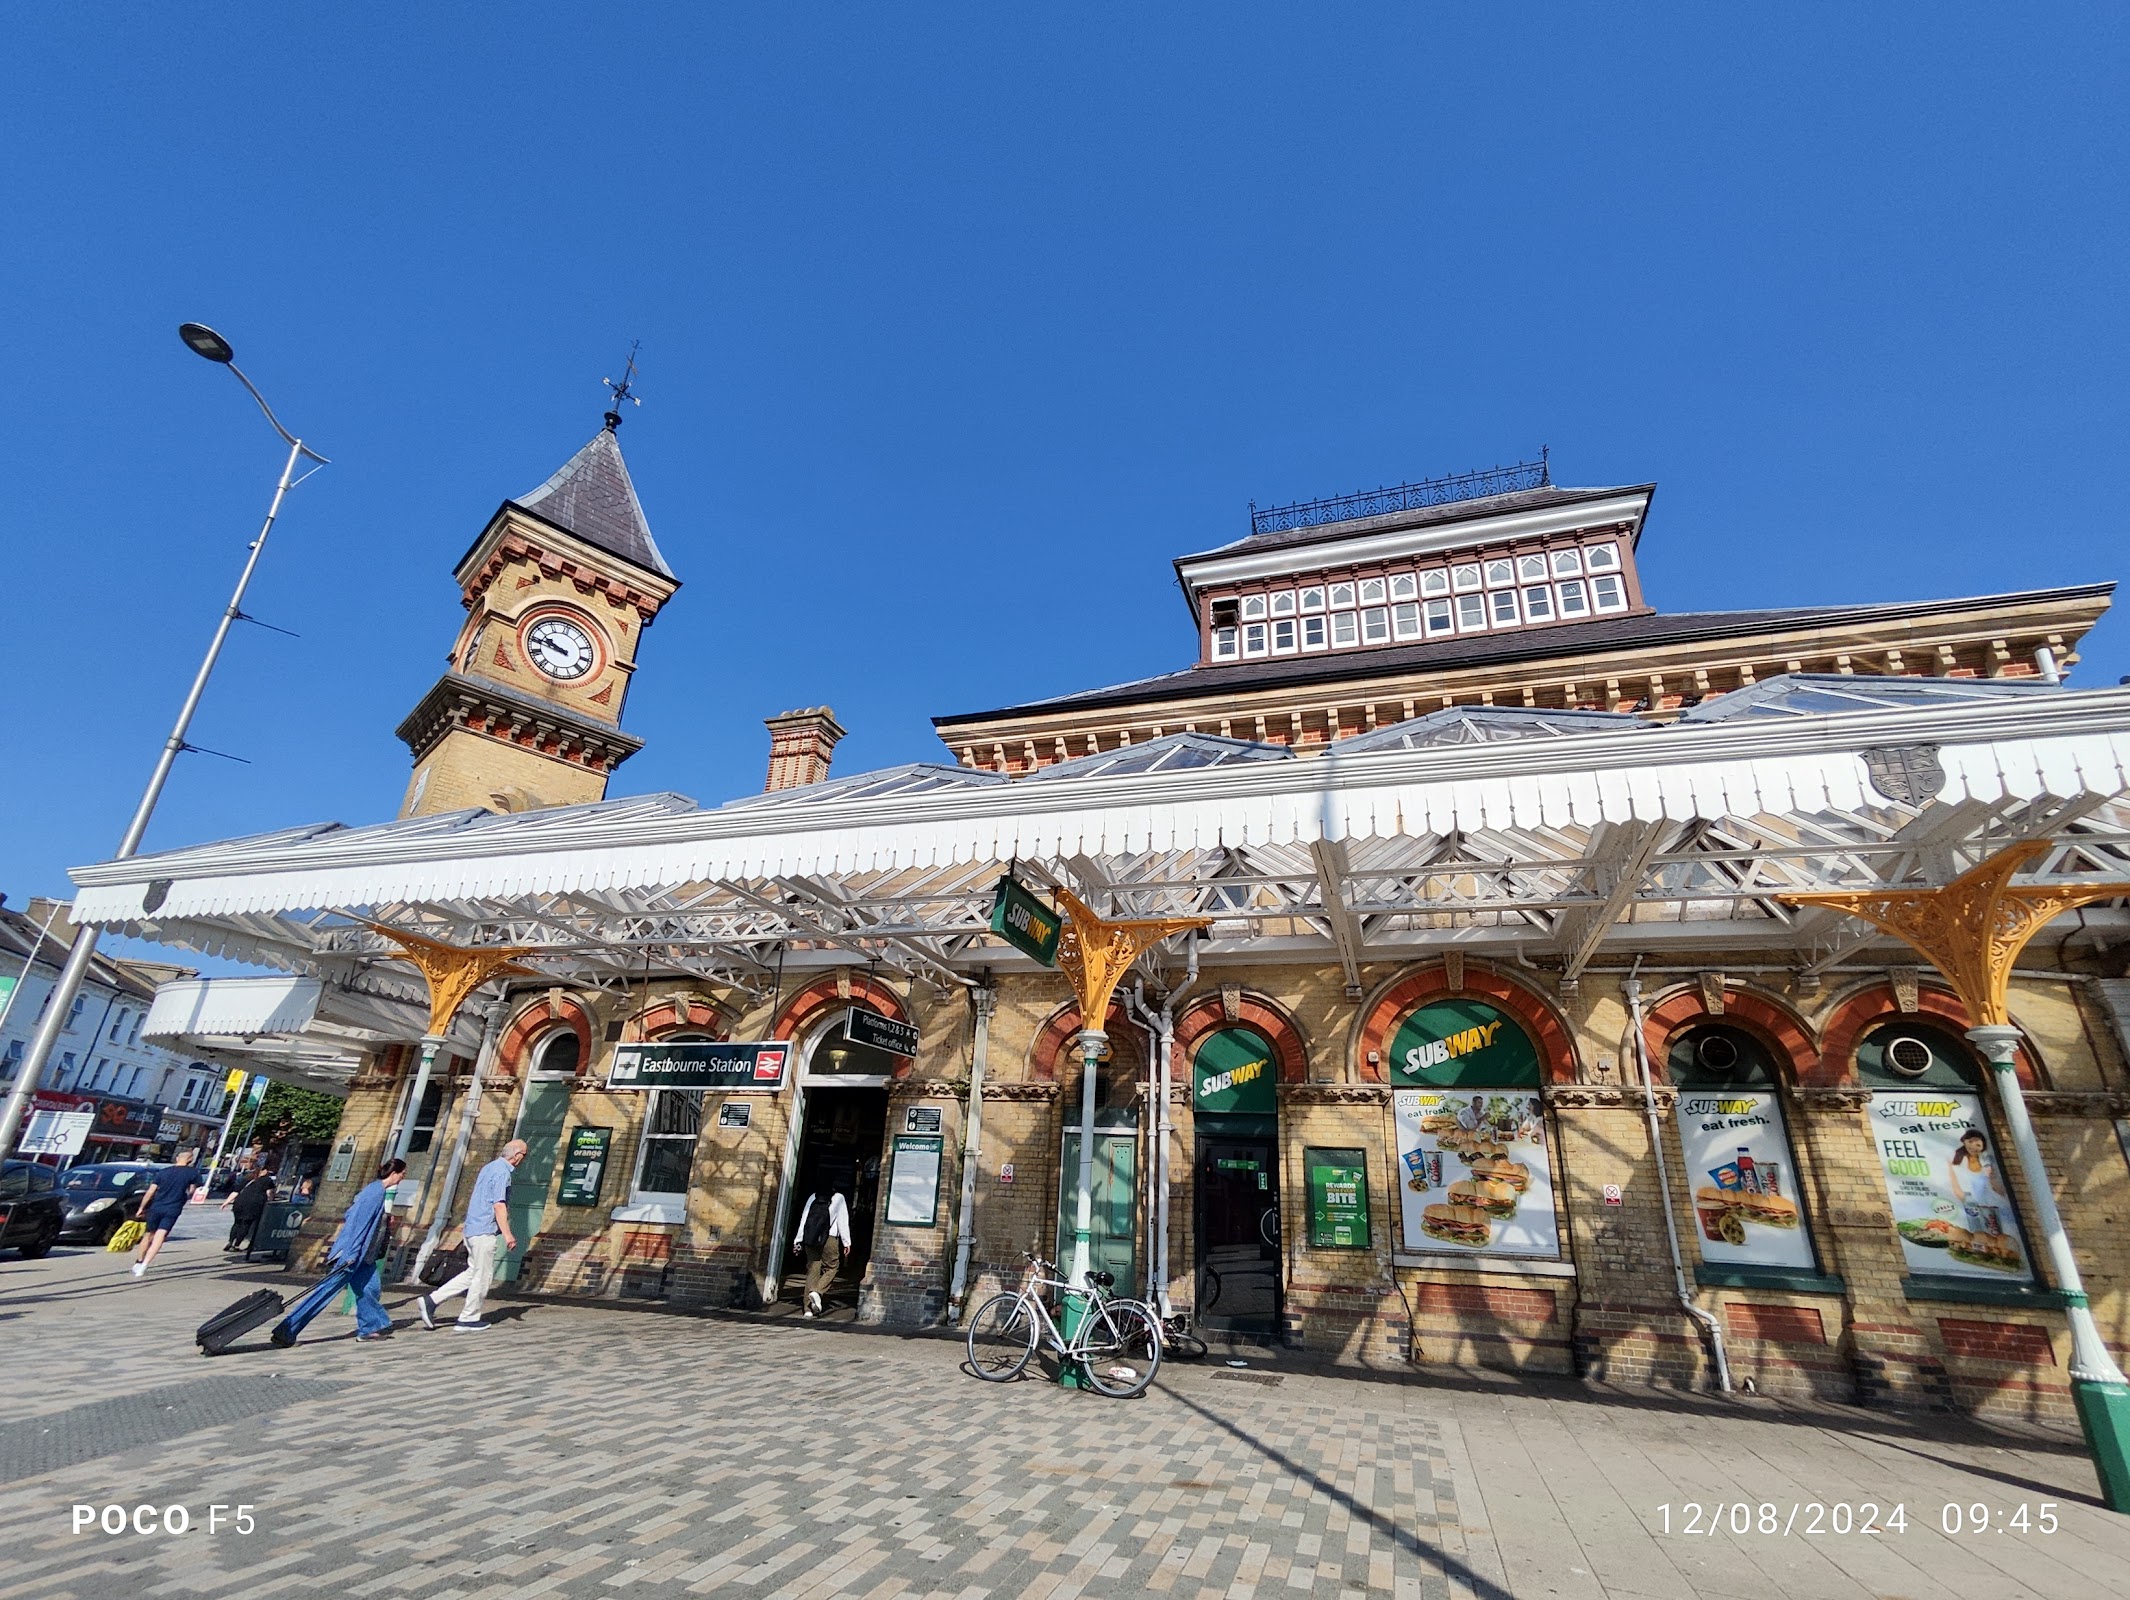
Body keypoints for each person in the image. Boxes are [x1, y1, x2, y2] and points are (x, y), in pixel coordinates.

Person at [273, 1157, 404, 1346]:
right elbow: (358, 1225)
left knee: (370, 1289)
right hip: (352, 1255)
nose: (402, 1178)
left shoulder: (375, 1191)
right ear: (393, 1174)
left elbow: (353, 1215)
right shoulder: (374, 1194)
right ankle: (287, 1330)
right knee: (324, 1293)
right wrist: (350, 1255)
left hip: (364, 1256)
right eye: (402, 1174)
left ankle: (370, 1328)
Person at [415, 1138, 525, 1333]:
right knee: (483, 1276)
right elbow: (499, 1204)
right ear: (516, 1156)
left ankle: (431, 1300)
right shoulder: (502, 1173)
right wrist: (508, 1234)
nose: (524, 1159)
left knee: (473, 1272)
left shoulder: (489, 1168)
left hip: (472, 1228)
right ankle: (468, 1318)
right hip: (484, 1230)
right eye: (524, 1155)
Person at [129, 1148, 205, 1277]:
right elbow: (191, 1191)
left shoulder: (163, 1172)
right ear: (190, 1160)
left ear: (177, 1158)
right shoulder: (193, 1173)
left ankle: (138, 1261)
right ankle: (145, 1265)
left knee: (148, 1234)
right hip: (174, 1207)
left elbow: (150, 1191)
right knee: (160, 1236)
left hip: (156, 1206)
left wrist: (141, 1207)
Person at [791, 1178, 851, 1318]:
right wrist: (846, 1242)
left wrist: (798, 1240)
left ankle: (807, 1309)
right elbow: (843, 1220)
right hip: (829, 1238)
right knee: (832, 1267)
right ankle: (817, 1292)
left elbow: (804, 1219)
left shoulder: (813, 1197)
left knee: (813, 1270)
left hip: (810, 1237)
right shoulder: (839, 1198)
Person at [1947, 1127, 2010, 1233]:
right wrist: (1965, 1200)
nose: (1973, 1147)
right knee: (1977, 1230)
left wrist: (1992, 1177)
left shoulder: (1987, 1161)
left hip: (1992, 1203)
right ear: (1964, 1142)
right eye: (1970, 1142)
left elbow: (1998, 1188)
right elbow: (1955, 1184)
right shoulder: (1957, 1161)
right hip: (1971, 1204)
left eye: (1978, 1145)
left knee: (1998, 1230)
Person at [221, 1165, 275, 1253]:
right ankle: (236, 1244)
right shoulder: (267, 1180)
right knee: (246, 1224)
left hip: (240, 1202)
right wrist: (270, 1200)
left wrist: (226, 1202)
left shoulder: (247, 1178)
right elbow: (269, 1193)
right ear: (264, 1171)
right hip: (254, 1204)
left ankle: (230, 1242)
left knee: (237, 1223)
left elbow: (236, 1192)